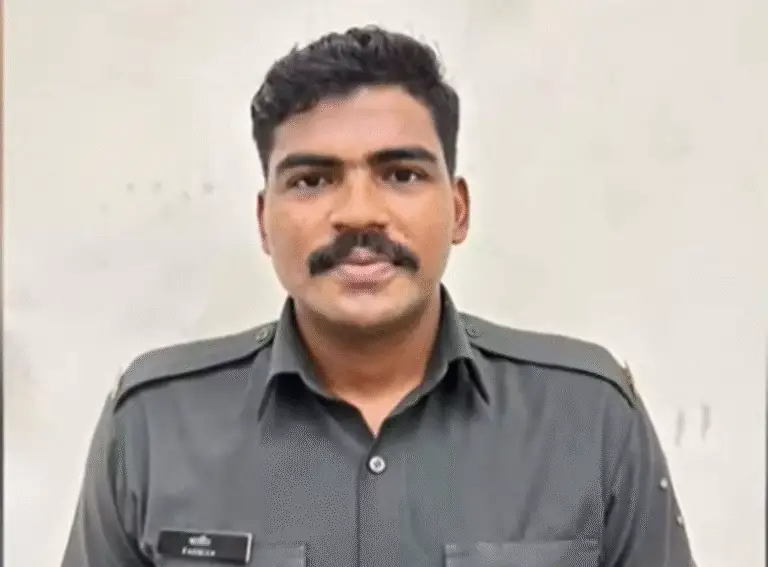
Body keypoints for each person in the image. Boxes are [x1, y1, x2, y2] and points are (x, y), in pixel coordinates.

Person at [61, 26, 695, 567]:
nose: (359, 212)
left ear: (458, 210)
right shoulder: (153, 426)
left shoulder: (589, 418)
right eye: (312, 180)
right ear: (263, 222)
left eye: (401, 174)